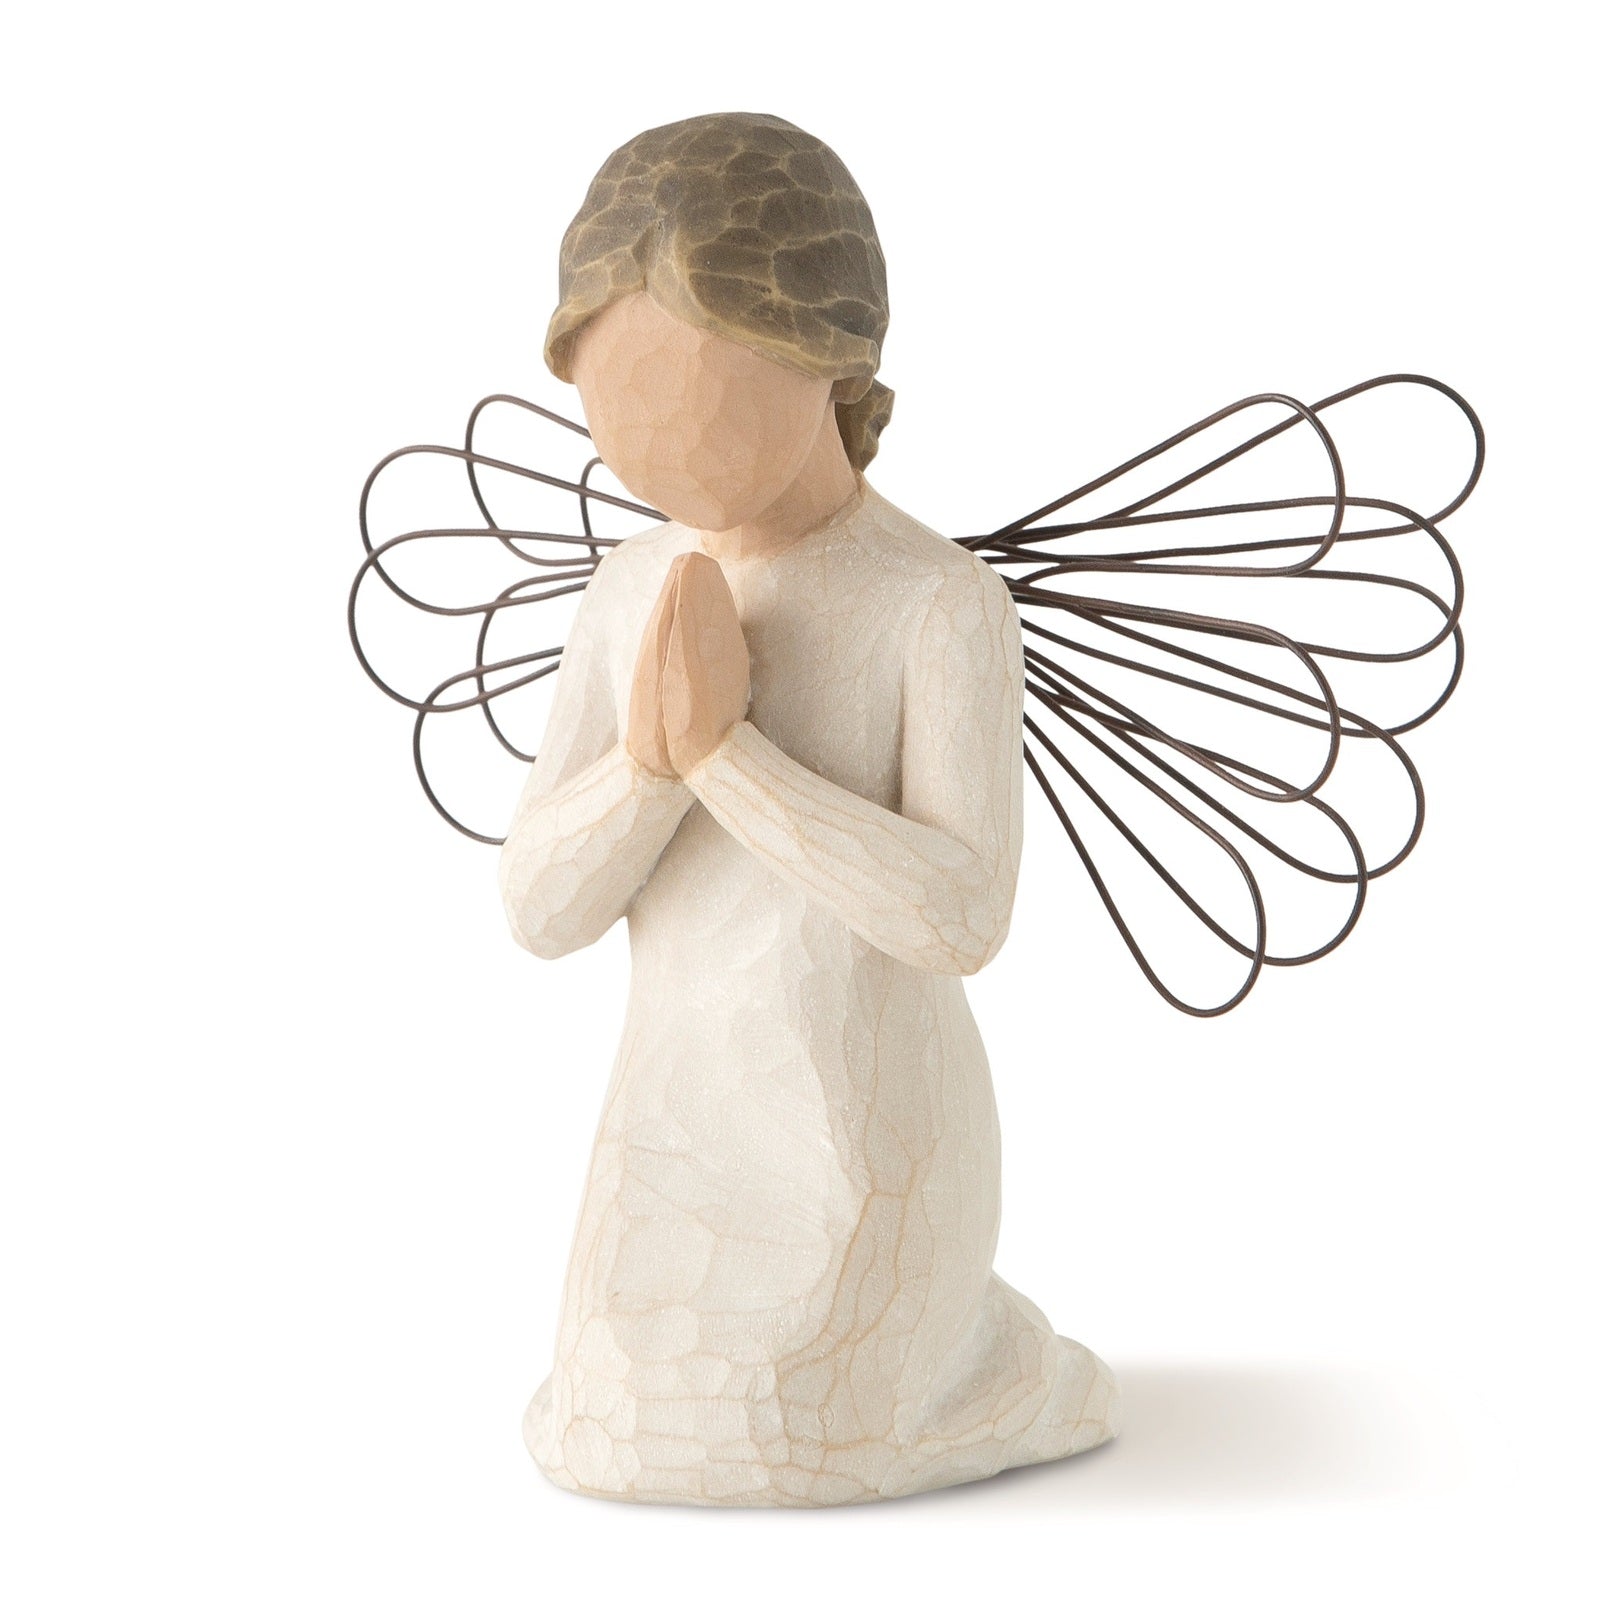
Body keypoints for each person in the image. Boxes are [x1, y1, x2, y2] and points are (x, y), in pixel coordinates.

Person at [499, 111, 1117, 1507]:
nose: (657, 455)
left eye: (701, 398)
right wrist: (647, 766)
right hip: (670, 1133)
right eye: (616, 415)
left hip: (864, 1136)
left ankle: (997, 1361)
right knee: (605, 1432)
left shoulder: (937, 605)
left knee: (783, 1436)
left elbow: (962, 915)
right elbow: (539, 907)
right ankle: (964, 1363)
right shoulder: (625, 590)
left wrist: (730, 757)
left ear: (829, 358)